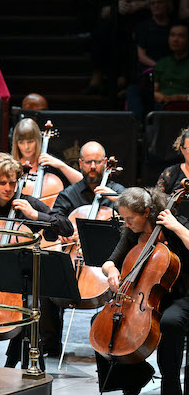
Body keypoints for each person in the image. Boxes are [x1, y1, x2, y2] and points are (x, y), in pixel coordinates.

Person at [0, 153, 73, 362]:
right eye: (2, 182)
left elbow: (66, 227)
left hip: (18, 282)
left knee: (31, 301)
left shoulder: (26, 203)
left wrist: (36, 216)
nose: (8, 188)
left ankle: (20, 360)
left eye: (13, 182)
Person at [98, 188, 189, 395]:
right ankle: (134, 377)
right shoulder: (132, 233)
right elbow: (109, 262)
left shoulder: (175, 224)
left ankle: (171, 387)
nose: (126, 223)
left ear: (147, 212)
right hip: (146, 298)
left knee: (170, 322)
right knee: (101, 324)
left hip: (182, 295)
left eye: (130, 219)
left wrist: (176, 226)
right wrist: (112, 272)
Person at [49, 141, 125, 354]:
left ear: (105, 163)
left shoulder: (118, 192)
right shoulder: (69, 194)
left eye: (97, 162)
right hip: (75, 259)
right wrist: (62, 232)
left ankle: (111, 344)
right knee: (45, 287)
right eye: (88, 162)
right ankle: (50, 346)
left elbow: (137, 215)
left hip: (111, 261)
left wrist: (117, 200)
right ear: (80, 163)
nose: (93, 166)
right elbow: (55, 219)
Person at [86, 0, 156, 94]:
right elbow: (100, 11)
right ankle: (99, 76)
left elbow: (162, 2)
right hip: (116, 26)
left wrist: (142, 4)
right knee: (103, 30)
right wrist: (115, 7)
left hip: (143, 23)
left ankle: (126, 79)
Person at [11, 118, 82, 187]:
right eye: (21, 142)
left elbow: (82, 184)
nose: (26, 147)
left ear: (37, 141)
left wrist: (61, 166)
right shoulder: (10, 165)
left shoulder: (48, 163)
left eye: (30, 142)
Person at [153, 21, 189, 108]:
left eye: (181, 36)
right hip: (162, 105)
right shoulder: (163, 63)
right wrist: (156, 95)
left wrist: (184, 97)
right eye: (172, 35)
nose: (175, 40)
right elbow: (154, 88)